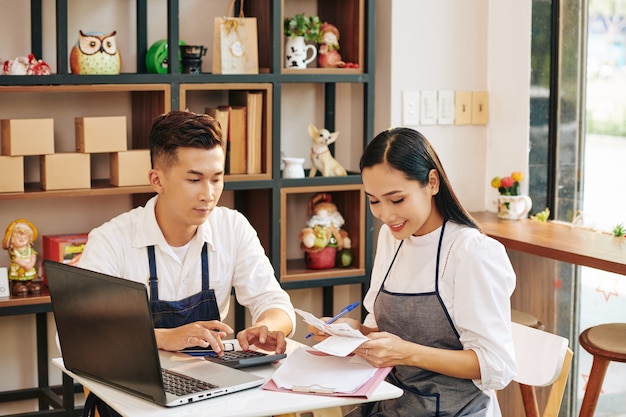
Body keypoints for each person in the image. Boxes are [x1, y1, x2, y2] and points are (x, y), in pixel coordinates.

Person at [310, 127, 517, 416]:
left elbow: (497, 366)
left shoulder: (470, 252)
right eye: (374, 201)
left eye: (397, 200)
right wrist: (350, 332)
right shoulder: (391, 238)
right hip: (391, 406)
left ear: (432, 182)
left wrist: (407, 353)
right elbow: (381, 330)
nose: (386, 214)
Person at [77, 110, 295, 356]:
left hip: (207, 377)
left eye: (216, 179)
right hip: (131, 382)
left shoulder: (232, 228)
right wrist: (162, 337)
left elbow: (274, 302)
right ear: (157, 180)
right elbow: (79, 332)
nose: (208, 194)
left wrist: (266, 326)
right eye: (194, 180)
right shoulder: (111, 241)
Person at [3, 218, 42, 295]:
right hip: (19, 270)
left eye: (25, 237)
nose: (22, 239)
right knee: (18, 281)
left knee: (28, 279)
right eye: (18, 238)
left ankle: (29, 284)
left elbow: (33, 255)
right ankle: (17, 285)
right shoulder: (14, 251)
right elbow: (16, 259)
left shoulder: (29, 249)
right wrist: (24, 265)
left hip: (28, 268)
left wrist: (31, 264)